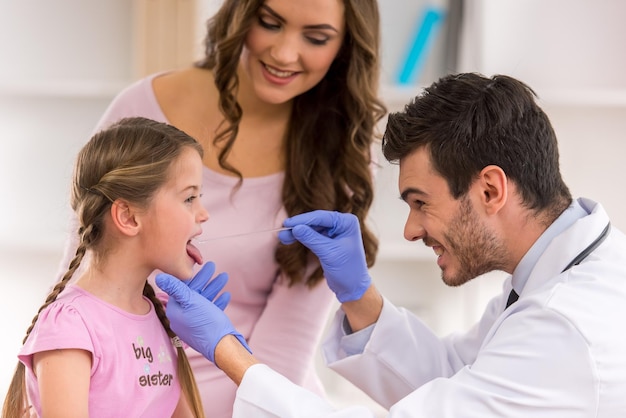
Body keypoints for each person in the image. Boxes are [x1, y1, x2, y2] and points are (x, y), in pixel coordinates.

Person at [155, 73, 626, 417]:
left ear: (490, 190)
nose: (410, 230)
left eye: (420, 202)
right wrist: (359, 296)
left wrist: (225, 350)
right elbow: (450, 377)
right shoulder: (549, 277)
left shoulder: (565, 325)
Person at [54, 0, 386, 416]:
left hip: (262, 403)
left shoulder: (343, 154)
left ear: (346, 46)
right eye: (269, 23)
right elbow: (77, 284)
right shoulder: (141, 109)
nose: (284, 54)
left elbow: (286, 351)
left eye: (316, 38)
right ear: (241, 14)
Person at [2, 117, 250, 417]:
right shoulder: (70, 326)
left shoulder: (157, 316)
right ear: (129, 217)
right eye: (189, 198)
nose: (203, 214)